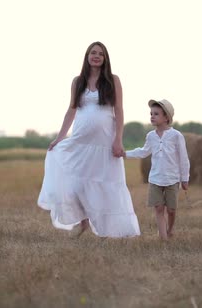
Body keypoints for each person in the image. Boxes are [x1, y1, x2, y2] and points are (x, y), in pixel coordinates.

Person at [37, 41, 141, 238]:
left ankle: (110, 230)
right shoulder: (78, 82)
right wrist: (59, 137)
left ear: (105, 59)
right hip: (80, 141)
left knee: (106, 184)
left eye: (100, 54)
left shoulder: (113, 80)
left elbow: (118, 110)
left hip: (104, 143)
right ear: (87, 56)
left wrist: (118, 139)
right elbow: (71, 110)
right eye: (93, 53)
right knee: (75, 184)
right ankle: (83, 221)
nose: (96, 56)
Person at [124, 99, 190, 240]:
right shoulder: (151, 136)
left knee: (171, 210)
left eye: (156, 114)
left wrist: (185, 179)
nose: (152, 116)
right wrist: (125, 154)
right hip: (155, 179)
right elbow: (143, 152)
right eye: (151, 113)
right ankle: (163, 239)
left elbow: (184, 159)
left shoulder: (176, 136)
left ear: (166, 117)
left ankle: (170, 229)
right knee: (159, 208)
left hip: (172, 179)